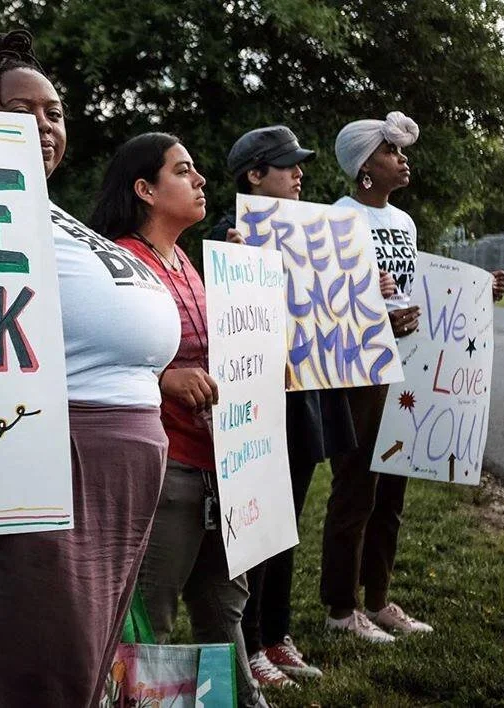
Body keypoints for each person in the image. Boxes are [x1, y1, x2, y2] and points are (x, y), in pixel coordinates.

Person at [0, 31, 181, 707]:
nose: (46, 125)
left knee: (83, 670)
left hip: (112, 475)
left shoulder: (51, 211)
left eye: (55, 112)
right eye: (22, 110)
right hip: (45, 463)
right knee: (37, 673)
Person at [208, 125, 392, 687]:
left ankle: (276, 635)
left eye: (298, 165)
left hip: (307, 397)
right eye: (286, 166)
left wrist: (369, 288)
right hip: (258, 406)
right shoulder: (228, 235)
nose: (299, 173)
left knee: (285, 522)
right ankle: (251, 638)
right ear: (254, 175)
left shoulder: (319, 234)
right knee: (257, 527)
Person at [89, 133, 268, 708]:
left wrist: (244, 281)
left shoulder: (187, 261)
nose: (201, 181)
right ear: (145, 189)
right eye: (183, 171)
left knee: (225, 606)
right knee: (149, 624)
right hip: (167, 470)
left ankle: (244, 700)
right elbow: (97, 355)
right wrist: (163, 378)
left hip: (220, 466)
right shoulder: (119, 264)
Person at [321, 112, 504, 643]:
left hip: (407, 366)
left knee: (392, 488)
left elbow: (418, 290)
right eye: (391, 152)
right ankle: (340, 610)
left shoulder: (402, 223)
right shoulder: (338, 220)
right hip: (357, 367)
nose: (403, 160)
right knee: (355, 487)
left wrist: (476, 291)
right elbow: (330, 307)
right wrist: (378, 316)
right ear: (364, 167)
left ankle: (377, 601)